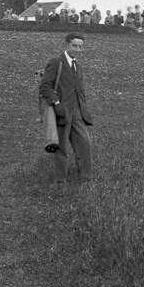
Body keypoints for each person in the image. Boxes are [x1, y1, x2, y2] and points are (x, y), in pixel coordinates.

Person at [38, 33, 94, 183]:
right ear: (67, 45)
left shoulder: (77, 66)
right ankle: (60, 181)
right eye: (74, 46)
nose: (77, 49)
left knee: (84, 143)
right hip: (62, 112)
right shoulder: (56, 62)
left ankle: (86, 178)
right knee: (61, 147)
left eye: (80, 47)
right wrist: (57, 104)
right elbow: (45, 87)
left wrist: (83, 109)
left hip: (77, 112)